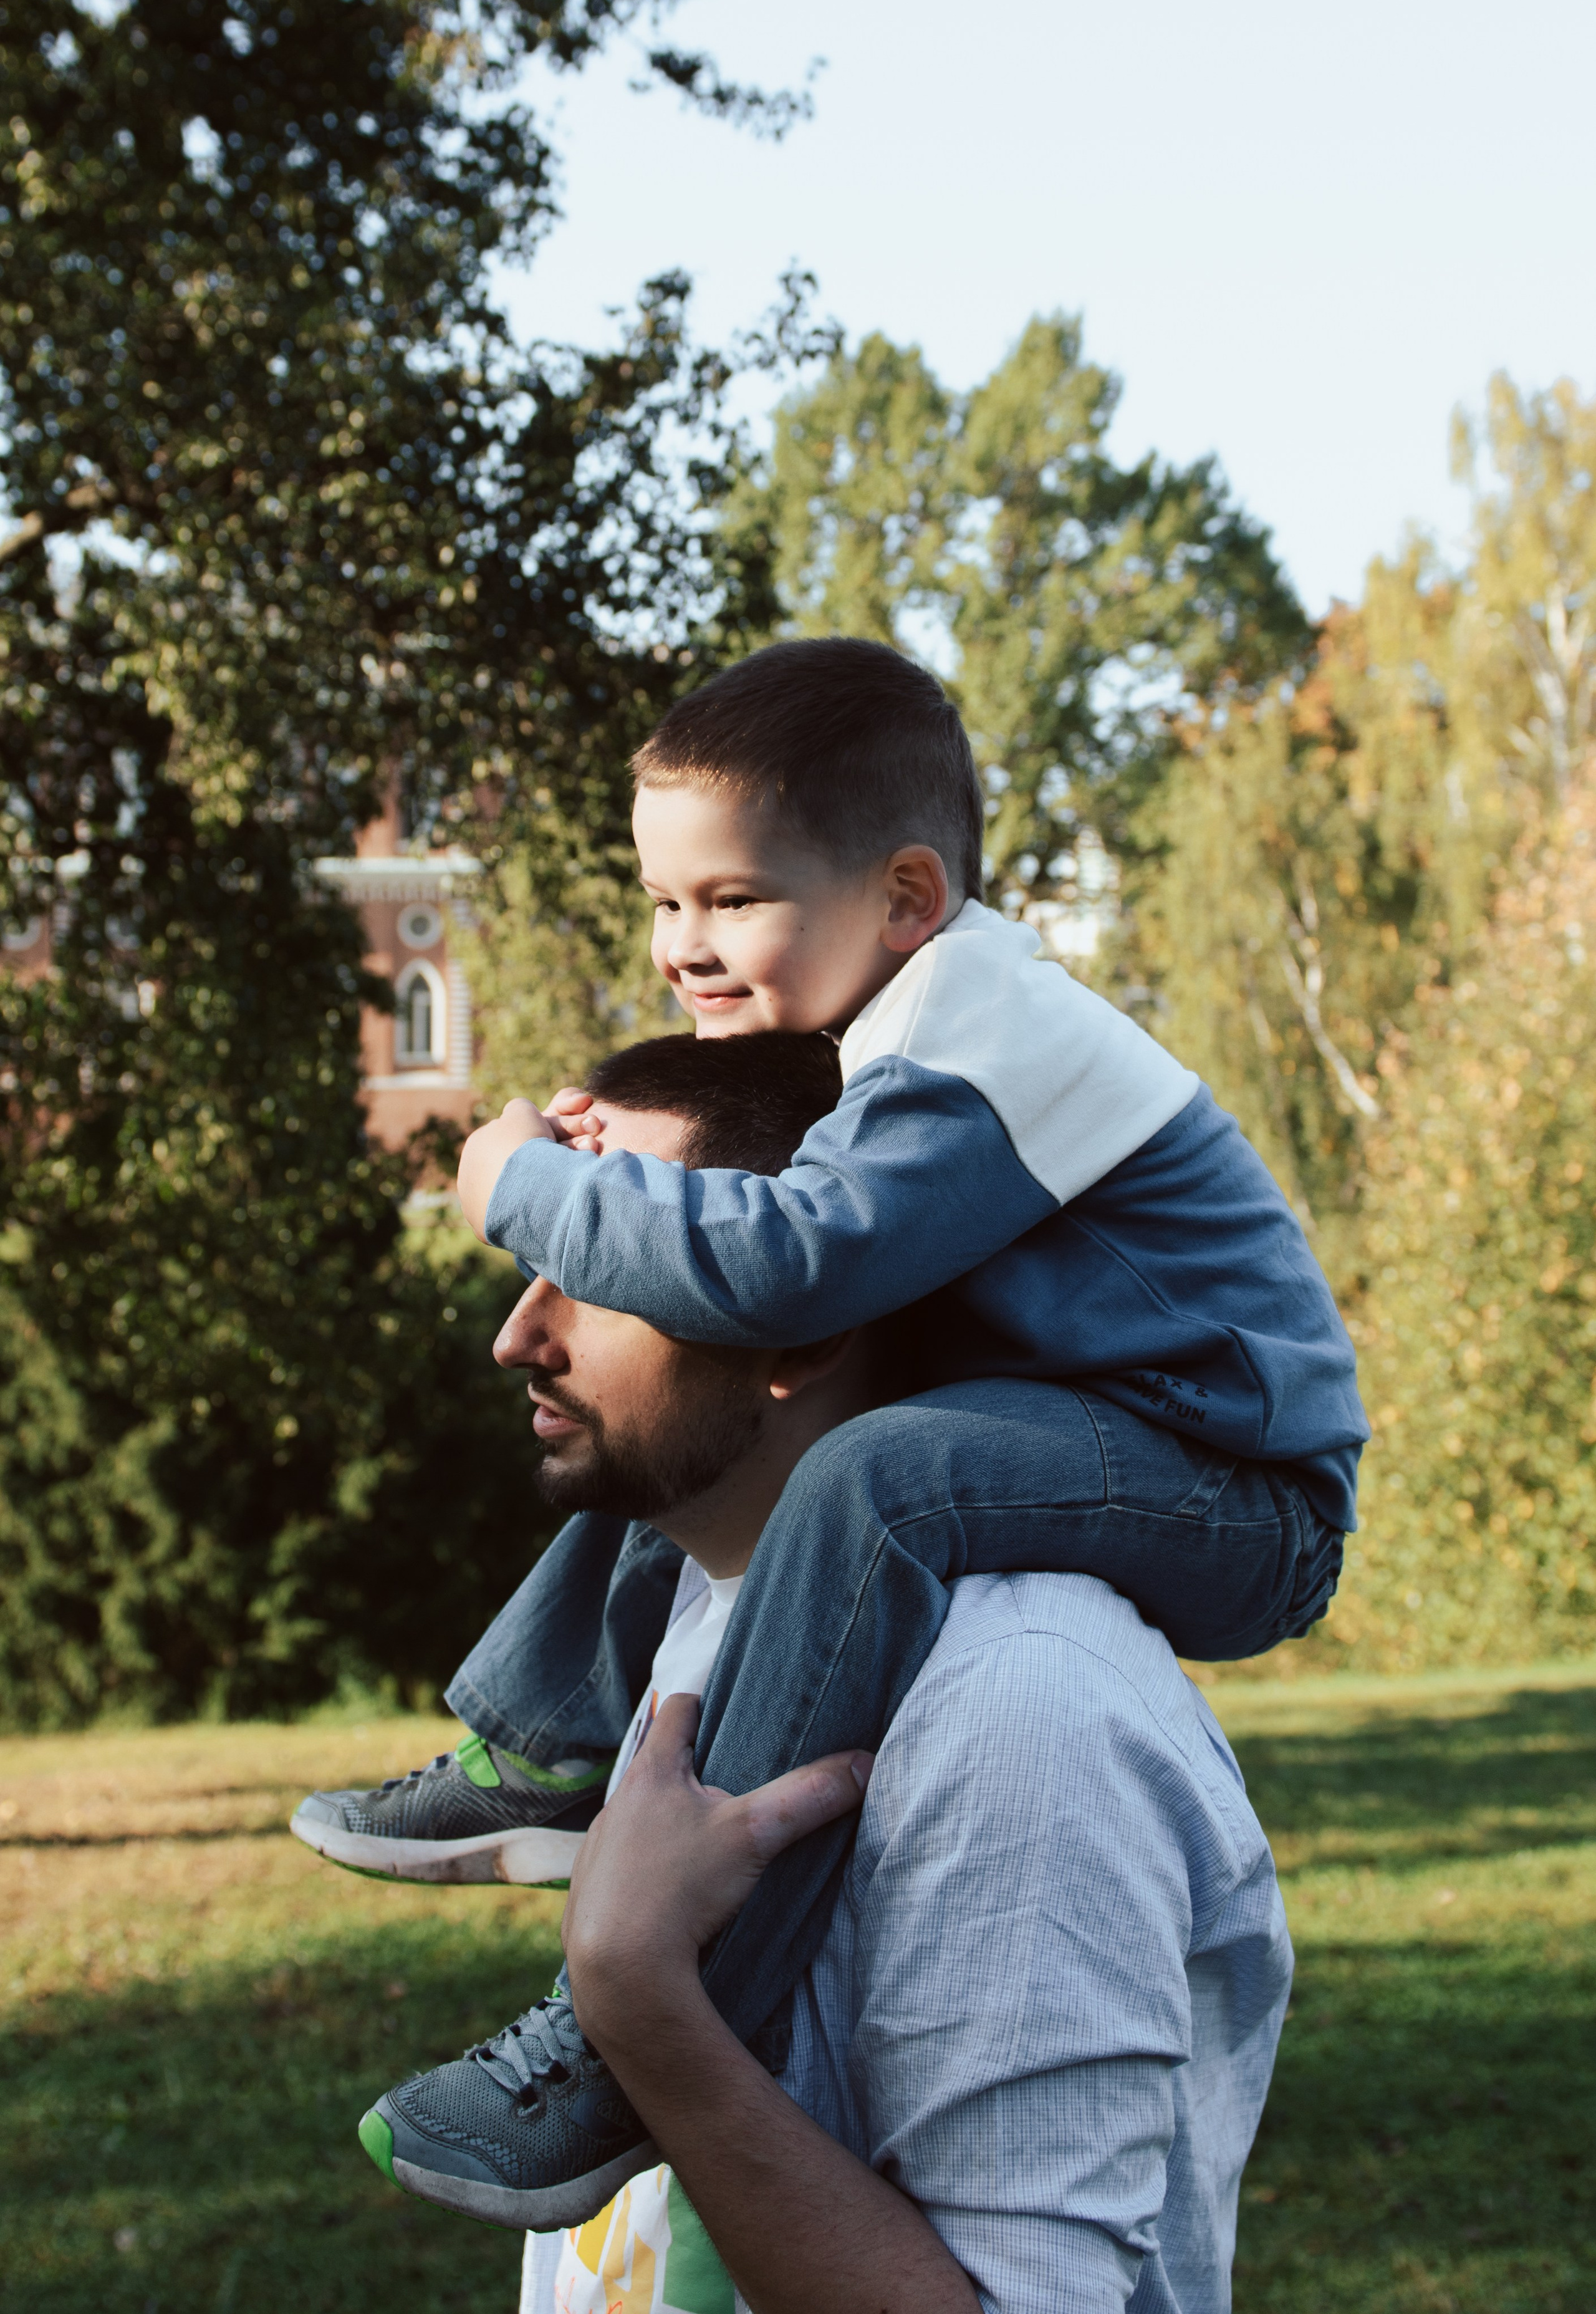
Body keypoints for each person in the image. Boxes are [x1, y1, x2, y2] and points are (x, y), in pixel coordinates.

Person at [304, 635, 1361, 2220]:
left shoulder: (982, 1039)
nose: (682, 944)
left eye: (732, 899)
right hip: (1098, 1426)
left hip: (1235, 1481)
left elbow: (788, 1262)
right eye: (664, 902)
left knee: (867, 1472)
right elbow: (760, 1240)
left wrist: (524, 1181)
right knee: (669, 1412)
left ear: (908, 897)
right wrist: (626, 1189)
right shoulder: (900, 1037)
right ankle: (542, 1749)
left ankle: (647, 2025)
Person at [339, 1033, 1294, 2312]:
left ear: (795, 1320)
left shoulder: (1017, 1700)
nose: (520, 1333)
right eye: (529, 1267)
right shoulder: (683, 1606)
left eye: (595, 1269)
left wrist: (638, 2003)